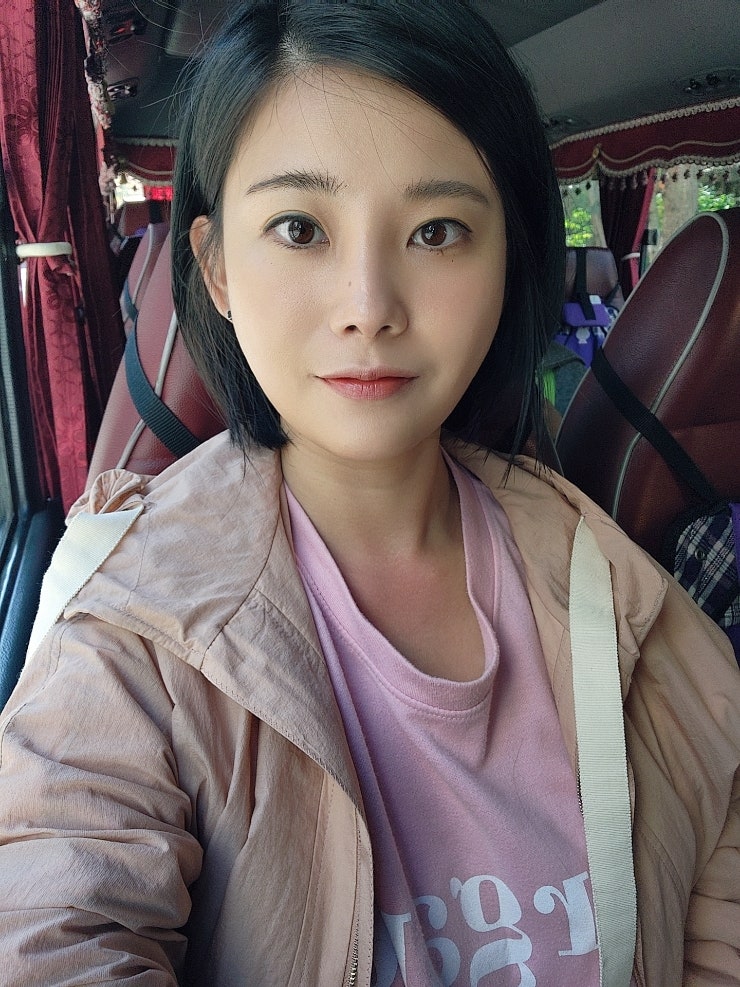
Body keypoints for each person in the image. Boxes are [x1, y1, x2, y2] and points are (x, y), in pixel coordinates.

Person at [0, 2, 738, 985]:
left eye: (436, 231)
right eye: (299, 228)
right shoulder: (131, 634)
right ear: (216, 269)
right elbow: (51, 929)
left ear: (510, 257)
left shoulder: (622, 591)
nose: (369, 308)